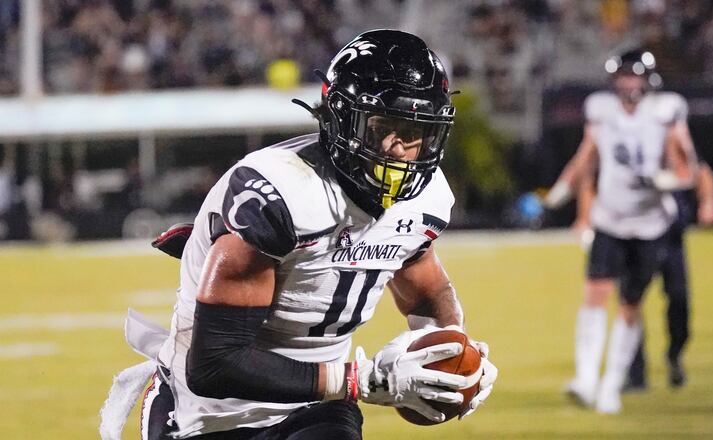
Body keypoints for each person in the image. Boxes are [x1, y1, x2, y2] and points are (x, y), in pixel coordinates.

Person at [100, 30, 497, 439]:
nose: (402, 148)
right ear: (341, 119)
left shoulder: (425, 199)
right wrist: (360, 381)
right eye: (386, 126)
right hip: (206, 413)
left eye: (417, 132)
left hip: (314, 410)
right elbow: (214, 364)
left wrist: (453, 354)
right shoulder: (281, 193)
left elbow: (425, 289)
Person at [543, 48, 697, 414]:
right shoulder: (601, 108)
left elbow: (686, 168)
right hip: (610, 217)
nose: (628, 82)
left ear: (647, 79)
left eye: (634, 75)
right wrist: (561, 190)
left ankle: (611, 385)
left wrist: (665, 179)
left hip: (649, 224)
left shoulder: (666, 110)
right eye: (623, 75)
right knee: (594, 294)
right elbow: (588, 155)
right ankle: (585, 378)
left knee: (630, 305)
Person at [572, 162, 713, 391]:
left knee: (678, 298)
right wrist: (585, 217)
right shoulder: (620, 138)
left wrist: (708, 202)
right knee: (631, 300)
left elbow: (700, 170)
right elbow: (590, 176)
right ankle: (634, 374)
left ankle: (675, 354)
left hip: (670, 237)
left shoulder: (667, 134)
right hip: (630, 235)